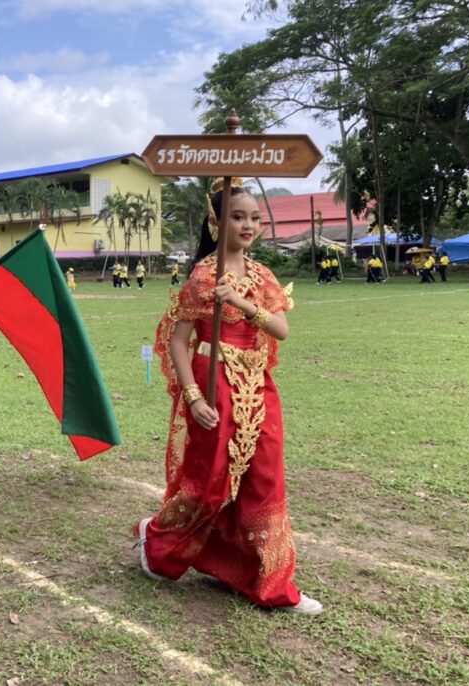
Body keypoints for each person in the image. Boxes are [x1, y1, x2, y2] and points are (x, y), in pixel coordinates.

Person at [135, 185, 322, 616]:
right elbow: (178, 341)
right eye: (238, 217)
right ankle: (158, 542)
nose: (249, 225)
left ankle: (269, 582)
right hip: (213, 381)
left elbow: (281, 330)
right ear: (216, 223)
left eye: (255, 217)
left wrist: (240, 301)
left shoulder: (262, 276)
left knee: (264, 478)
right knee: (211, 480)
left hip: (257, 385)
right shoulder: (203, 276)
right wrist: (193, 397)